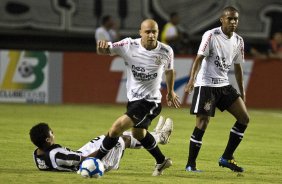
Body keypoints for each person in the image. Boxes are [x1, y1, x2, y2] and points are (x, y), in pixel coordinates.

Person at [96, 19, 180, 176]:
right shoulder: (128, 45)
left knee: (116, 129)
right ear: (140, 32)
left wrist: (170, 91)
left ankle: (96, 161)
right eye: (147, 31)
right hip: (134, 100)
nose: (151, 35)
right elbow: (105, 50)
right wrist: (100, 46)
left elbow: (169, 71)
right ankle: (162, 161)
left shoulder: (166, 51)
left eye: (154, 31)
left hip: (150, 102)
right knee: (138, 134)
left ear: (157, 33)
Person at [184, 6, 250, 173]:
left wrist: (242, 91)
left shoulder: (238, 40)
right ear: (222, 19)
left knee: (244, 118)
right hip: (206, 84)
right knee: (202, 123)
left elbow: (238, 67)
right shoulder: (211, 35)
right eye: (230, 19)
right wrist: (192, 80)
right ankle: (191, 165)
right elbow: (199, 58)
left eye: (236, 19)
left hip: (224, 85)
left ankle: (227, 157)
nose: (233, 22)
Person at [29, 116, 173, 172]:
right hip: (92, 164)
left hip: (81, 153)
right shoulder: (56, 155)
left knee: (111, 135)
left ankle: (156, 135)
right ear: (47, 140)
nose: (53, 133)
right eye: (51, 132)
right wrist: (104, 149)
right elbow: (82, 160)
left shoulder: (38, 154)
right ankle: (159, 137)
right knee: (121, 140)